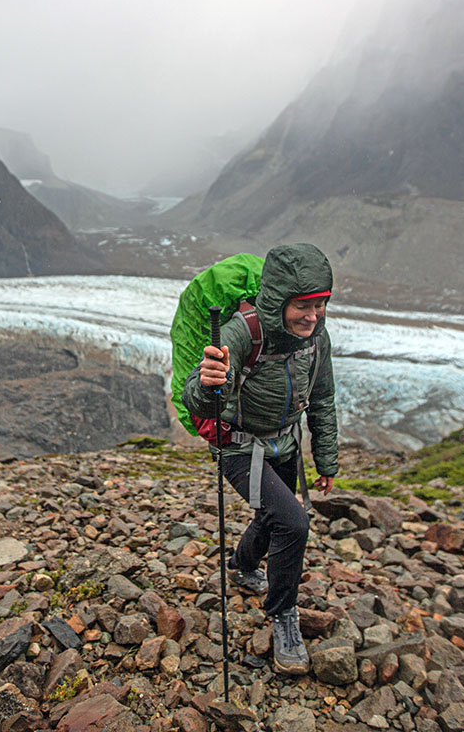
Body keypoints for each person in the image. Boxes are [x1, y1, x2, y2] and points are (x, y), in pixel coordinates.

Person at [181, 242, 338, 675]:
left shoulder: (315, 339)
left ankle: (242, 564)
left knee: (274, 516)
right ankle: (284, 614)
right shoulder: (241, 331)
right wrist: (209, 381)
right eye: (303, 306)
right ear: (279, 300)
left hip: (285, 443)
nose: (312, 316)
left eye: (320, 305)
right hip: (239, 446)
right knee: (292, 521)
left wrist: (326, 459)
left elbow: (322, 398)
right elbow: (195, 394)